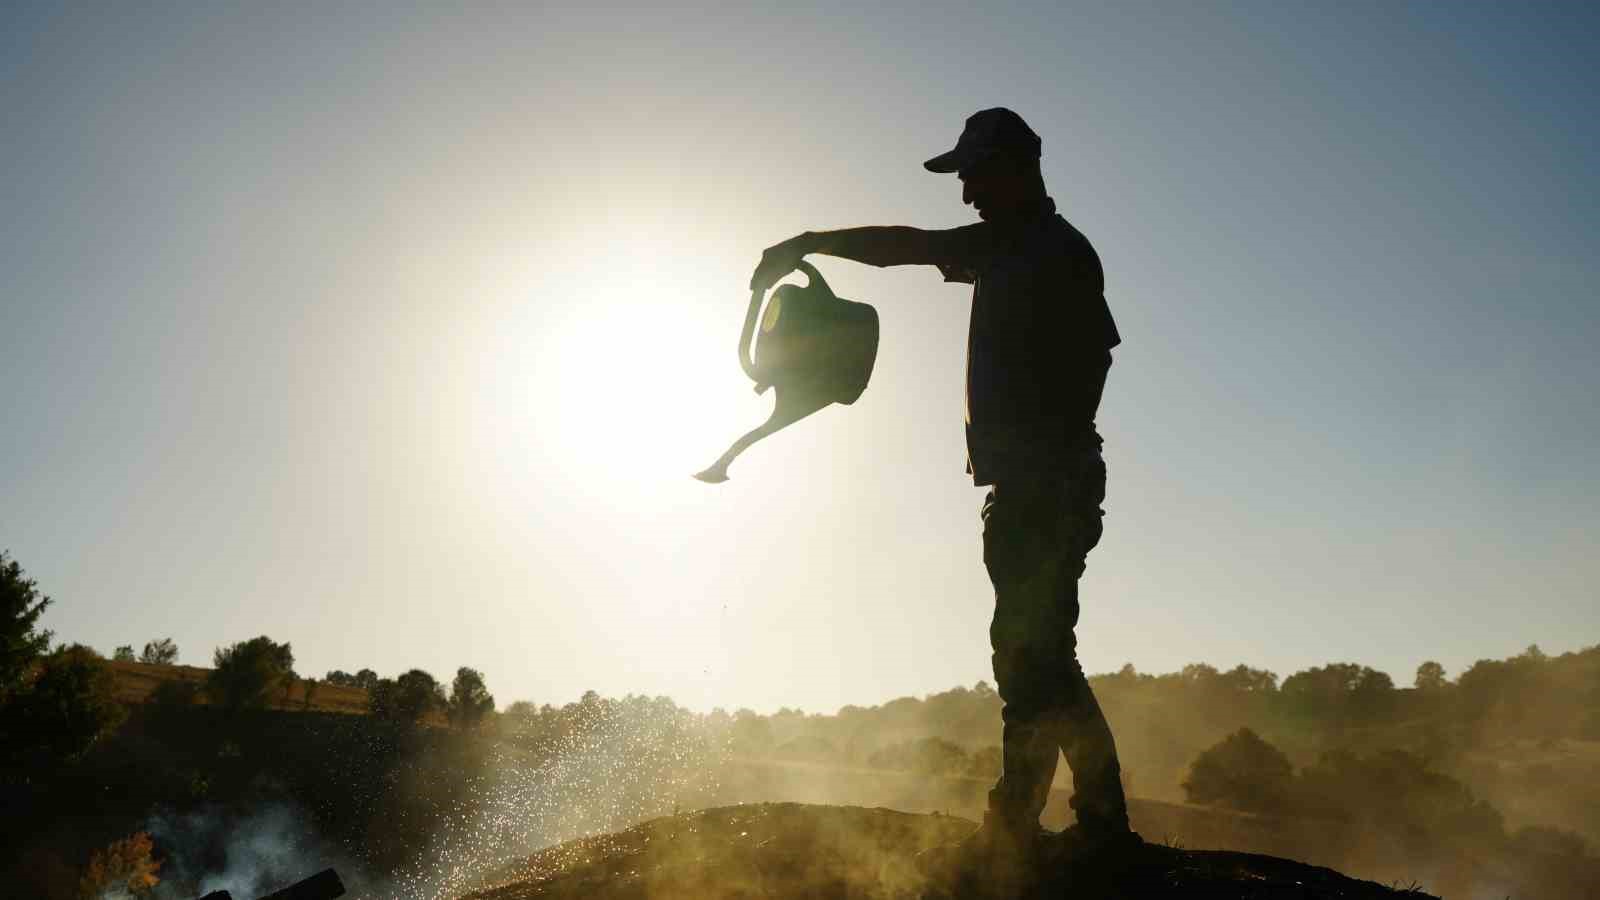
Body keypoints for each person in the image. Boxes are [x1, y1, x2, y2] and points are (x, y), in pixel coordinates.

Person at [748, 108, 1139, 867]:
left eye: (972, 175)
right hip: (1036, 480)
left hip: (1044, 484)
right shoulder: (1020, 246)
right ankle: (1076, 824)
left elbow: (1092, 354)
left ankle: (1049, 829)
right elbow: (919, 250)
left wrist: (1044, 453)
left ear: (1014, 166)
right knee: (1037, 655)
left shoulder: (1044, 247)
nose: (966, 195)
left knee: (1033, 657)